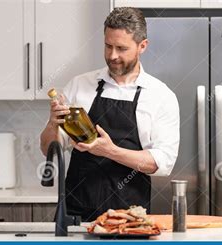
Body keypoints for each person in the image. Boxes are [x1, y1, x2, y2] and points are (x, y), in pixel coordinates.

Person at [40, 7, 180, 221]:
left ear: (142, 46)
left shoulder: (161, 96)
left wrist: (110, 151)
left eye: (121, 48)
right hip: (76, 215)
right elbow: (49, 149)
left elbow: (160, 163)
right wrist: (52, 125)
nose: (112, 56)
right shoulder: (79, 85)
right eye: (108, 46)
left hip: (130, 219)